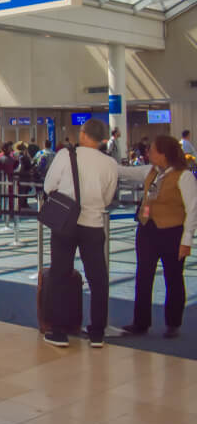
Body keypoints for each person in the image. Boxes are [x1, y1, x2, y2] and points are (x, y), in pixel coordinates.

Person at [42, 118, 118, 348]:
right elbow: (108, 197)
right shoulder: (110, 164)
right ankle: (97, 333)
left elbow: (48, 186)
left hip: (65, 223)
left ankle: (58, 331)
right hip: (93, 224)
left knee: (60, 274)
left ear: (83, 134)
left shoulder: (66, 156)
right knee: (98, 279)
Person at [117, 136, 194, 339]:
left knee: (174, 278)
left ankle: (173, 323)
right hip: (147, 231)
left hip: (172, 232)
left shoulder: (183, 176)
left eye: (151, 150)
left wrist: (187, 240)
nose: (148, 154)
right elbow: (123, 171)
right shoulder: (149, 171)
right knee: (143, 276)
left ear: (163, 154)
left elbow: (192, 210)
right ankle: (141, 322)